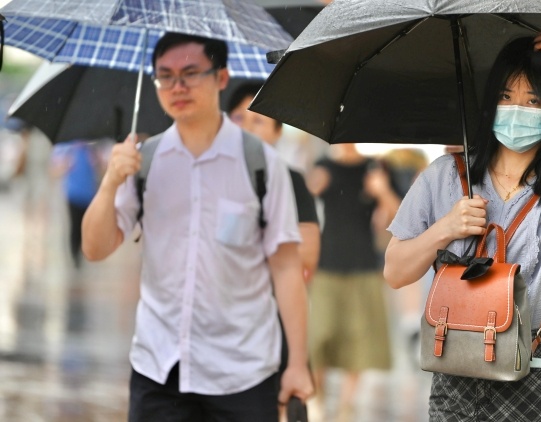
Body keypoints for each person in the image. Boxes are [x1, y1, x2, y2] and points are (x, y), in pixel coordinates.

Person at [81, 32, 314, 421]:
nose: (178, 86)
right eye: (165, 76)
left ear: (221, 77)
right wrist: (109, 183)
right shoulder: (144, 161)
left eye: (191, 73)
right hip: (158, 369)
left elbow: (287, 268)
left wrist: (298, 363)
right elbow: (95, 248)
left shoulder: (260, 163)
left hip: (244, 372)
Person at [384, 31, 541, 421]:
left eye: (533, 100)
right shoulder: (445, 176)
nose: (517, 109)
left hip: (535, 380)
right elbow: (395, 271)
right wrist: (447, 228)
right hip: (456, 376)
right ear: (491, 103)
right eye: (506, 97)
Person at [306, 142, 400, 421]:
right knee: (319, 337)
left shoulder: (376, 168)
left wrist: (382, 192)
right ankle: (317, 397)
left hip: (364, 265)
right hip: (326, 265)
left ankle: (347, 406)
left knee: (360, 340)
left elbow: (399, 217)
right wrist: (311, 188)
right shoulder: (323, 166)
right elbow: (301, 210)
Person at [227, 82, 321, 282]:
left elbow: (307, 256)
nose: (246, 127)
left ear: (277, 131)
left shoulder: (290, 180)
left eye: (258, 120)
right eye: (238, 118)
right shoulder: (212, 176)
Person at [51, 139, 102, 268]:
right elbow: (54, 169)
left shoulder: (92, 148)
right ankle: (75, 256)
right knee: (74, 226)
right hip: (73, 194)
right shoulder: (67, 147)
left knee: (84, 227)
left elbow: (101, 168)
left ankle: (81, 252)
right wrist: (65, 164)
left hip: (88, 194)